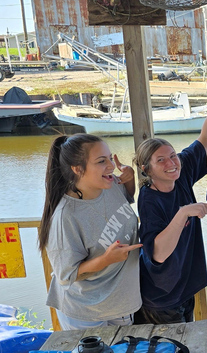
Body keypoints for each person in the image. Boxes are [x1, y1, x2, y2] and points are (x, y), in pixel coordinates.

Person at [133, 89, 207, 324]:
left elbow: (205, 139)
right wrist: (183, 212)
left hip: (185, 287)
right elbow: (157, 253)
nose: (171, 163)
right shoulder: (149, 199)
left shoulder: (181, 171)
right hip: (160, 298)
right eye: (161, 160)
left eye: (172, 156)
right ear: (147, 169)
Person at [38, 133, 141, 330]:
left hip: (120, 301)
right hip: (85, 312)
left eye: (110, 158)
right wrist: (106, 260)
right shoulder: (65, 217)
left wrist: (130, 180)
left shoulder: (109, 185)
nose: (110, 166)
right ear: (77, 169)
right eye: (101, 161)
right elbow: (66, 275)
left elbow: (126, 200)